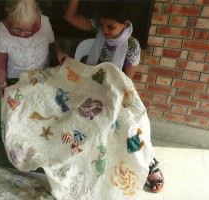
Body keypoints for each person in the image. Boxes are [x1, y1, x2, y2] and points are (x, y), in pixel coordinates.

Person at [64, 0, 164, 193]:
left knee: (131, 123)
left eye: (111, 27)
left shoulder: (132, 46)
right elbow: (69, 17)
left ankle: (148, 161)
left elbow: (125, 84)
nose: (105, 31)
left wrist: (109, 99)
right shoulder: (100, 30)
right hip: (91, 88)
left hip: (117, 92)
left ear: (125, 23)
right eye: (102, 26)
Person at [0, 0, 68, 140]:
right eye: (17, 29)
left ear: (35, 20)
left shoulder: (44, 22)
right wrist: (2, 84)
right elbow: (0, 64)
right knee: (10, 103)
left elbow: (52, 43)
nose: (23, 34)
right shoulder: (0, 32)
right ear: (10, 18)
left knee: (59, 100)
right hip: (16, 79)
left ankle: (46, 137)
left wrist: (59, 52)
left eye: (27, 29)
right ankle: (19, 139)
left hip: (43, 75)